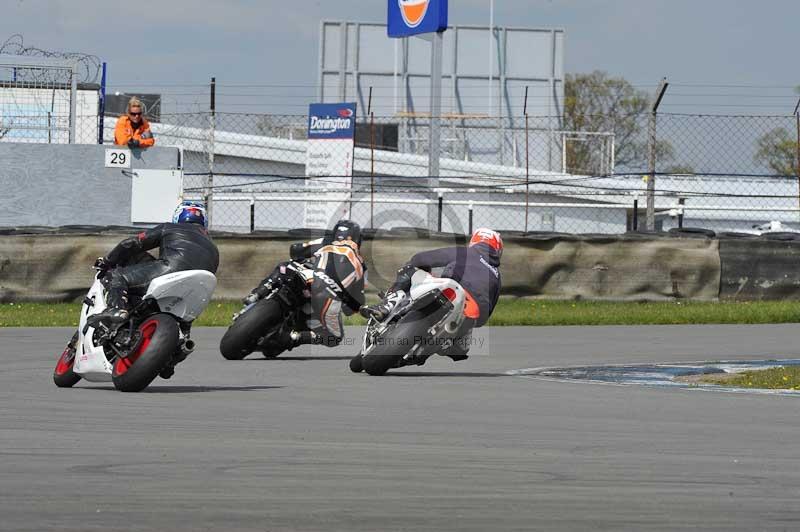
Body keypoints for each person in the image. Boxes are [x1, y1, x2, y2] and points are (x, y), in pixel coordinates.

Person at [360, 227, 503, 361]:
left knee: (409, 269)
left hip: (450, 291)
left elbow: (420, 259)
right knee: (461, 348)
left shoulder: (464, 252)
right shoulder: (497, 276)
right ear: (497, 249)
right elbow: (487, 314)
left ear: (475, 241)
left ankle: (388, 305)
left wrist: (421, 266)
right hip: (472, 312)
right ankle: (449, 340)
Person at [89, 201, 219, 327]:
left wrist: (107, 261)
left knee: (117, 276)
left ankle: (115, 309)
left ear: (178, 216)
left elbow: (130, 244)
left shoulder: (169, 227)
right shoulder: (213, 246)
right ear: (204, 221)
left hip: (171, 270)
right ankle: (182, 335)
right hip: (198, 289)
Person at [243, 219, 366, 350]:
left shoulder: (326, 241)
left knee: (284, 267)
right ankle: (297, 337)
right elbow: (353, 306)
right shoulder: (361, 265)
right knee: (334, 337)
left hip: (309, 278)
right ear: (358, 239)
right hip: (331, 299)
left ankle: (256, 294)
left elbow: (296, 250)